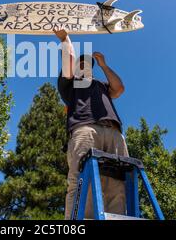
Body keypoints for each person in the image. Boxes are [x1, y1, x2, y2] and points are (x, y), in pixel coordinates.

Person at [53, 25, 129, 220]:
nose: (85, 66)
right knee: (81, 181)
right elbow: (68, 63)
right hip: (85, 130)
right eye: (81, 64)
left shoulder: (102, 85)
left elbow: (119, 88)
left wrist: (103, 65)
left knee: (118, 182)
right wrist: (65, 39)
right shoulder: (70, 84)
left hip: (113, 132)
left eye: (88, 64)